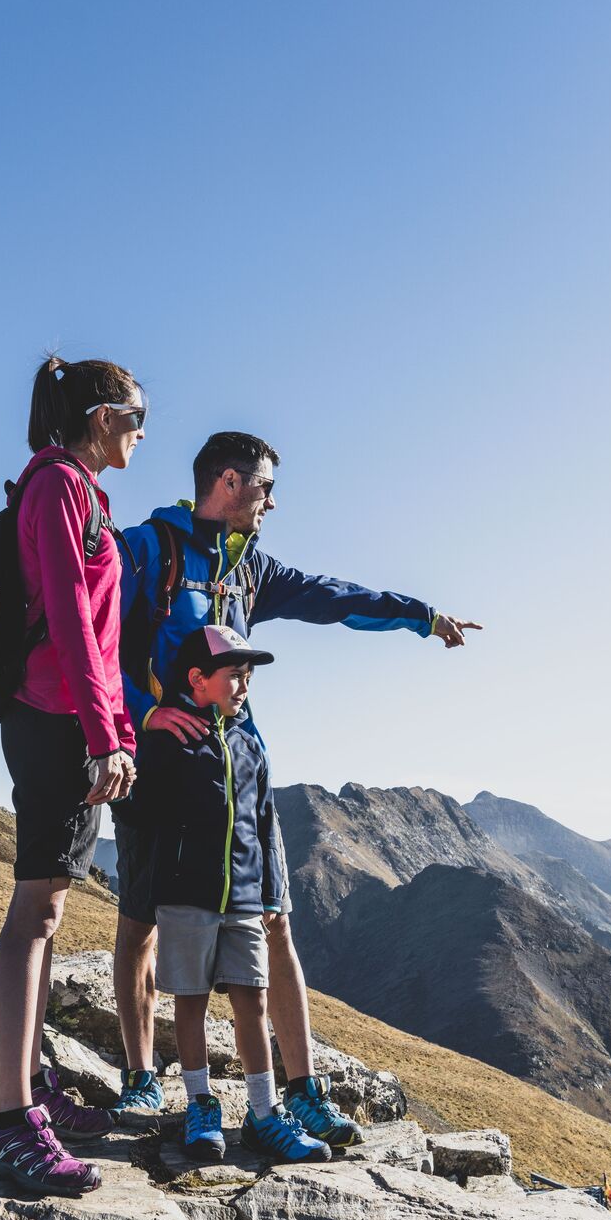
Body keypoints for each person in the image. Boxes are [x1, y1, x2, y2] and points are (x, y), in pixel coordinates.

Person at [109, 431, 481, 1143]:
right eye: (264, 487)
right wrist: (146, 711)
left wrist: (420, 614)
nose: (272, 502)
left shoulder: (253, 567)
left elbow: (334, 598)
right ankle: (139, 1078)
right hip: (158, 767)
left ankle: (302, 1089)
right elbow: (97, 643)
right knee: (141, 920)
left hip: (241, 766)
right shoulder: (148, 549)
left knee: (274, 918)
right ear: (228, 480)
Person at [0, 354, 148, 1197]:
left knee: (49, 908)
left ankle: (28, 1092)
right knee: (33, 912)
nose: (145, 429)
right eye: (138, 412)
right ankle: (9, 1121)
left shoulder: (80, 488)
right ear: (102, 414)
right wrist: (106, 730)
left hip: (71, 721)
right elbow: (74, 617)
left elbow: (99, 630)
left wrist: (114, 729)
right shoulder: (57, 487)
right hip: (53, 721)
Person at [132, 624, 331, 1165]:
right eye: (235, 676)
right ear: (197, 680)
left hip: (244, 898)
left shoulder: (250, 745)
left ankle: (265, 1113)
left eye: (248, 678)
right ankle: (200, 1103)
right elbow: (142, 808)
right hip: (185, 896)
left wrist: (268, 889)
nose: (244, 687)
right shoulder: (170, 739)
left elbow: (263, 822)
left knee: (253, 1000)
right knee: (191, 1002)